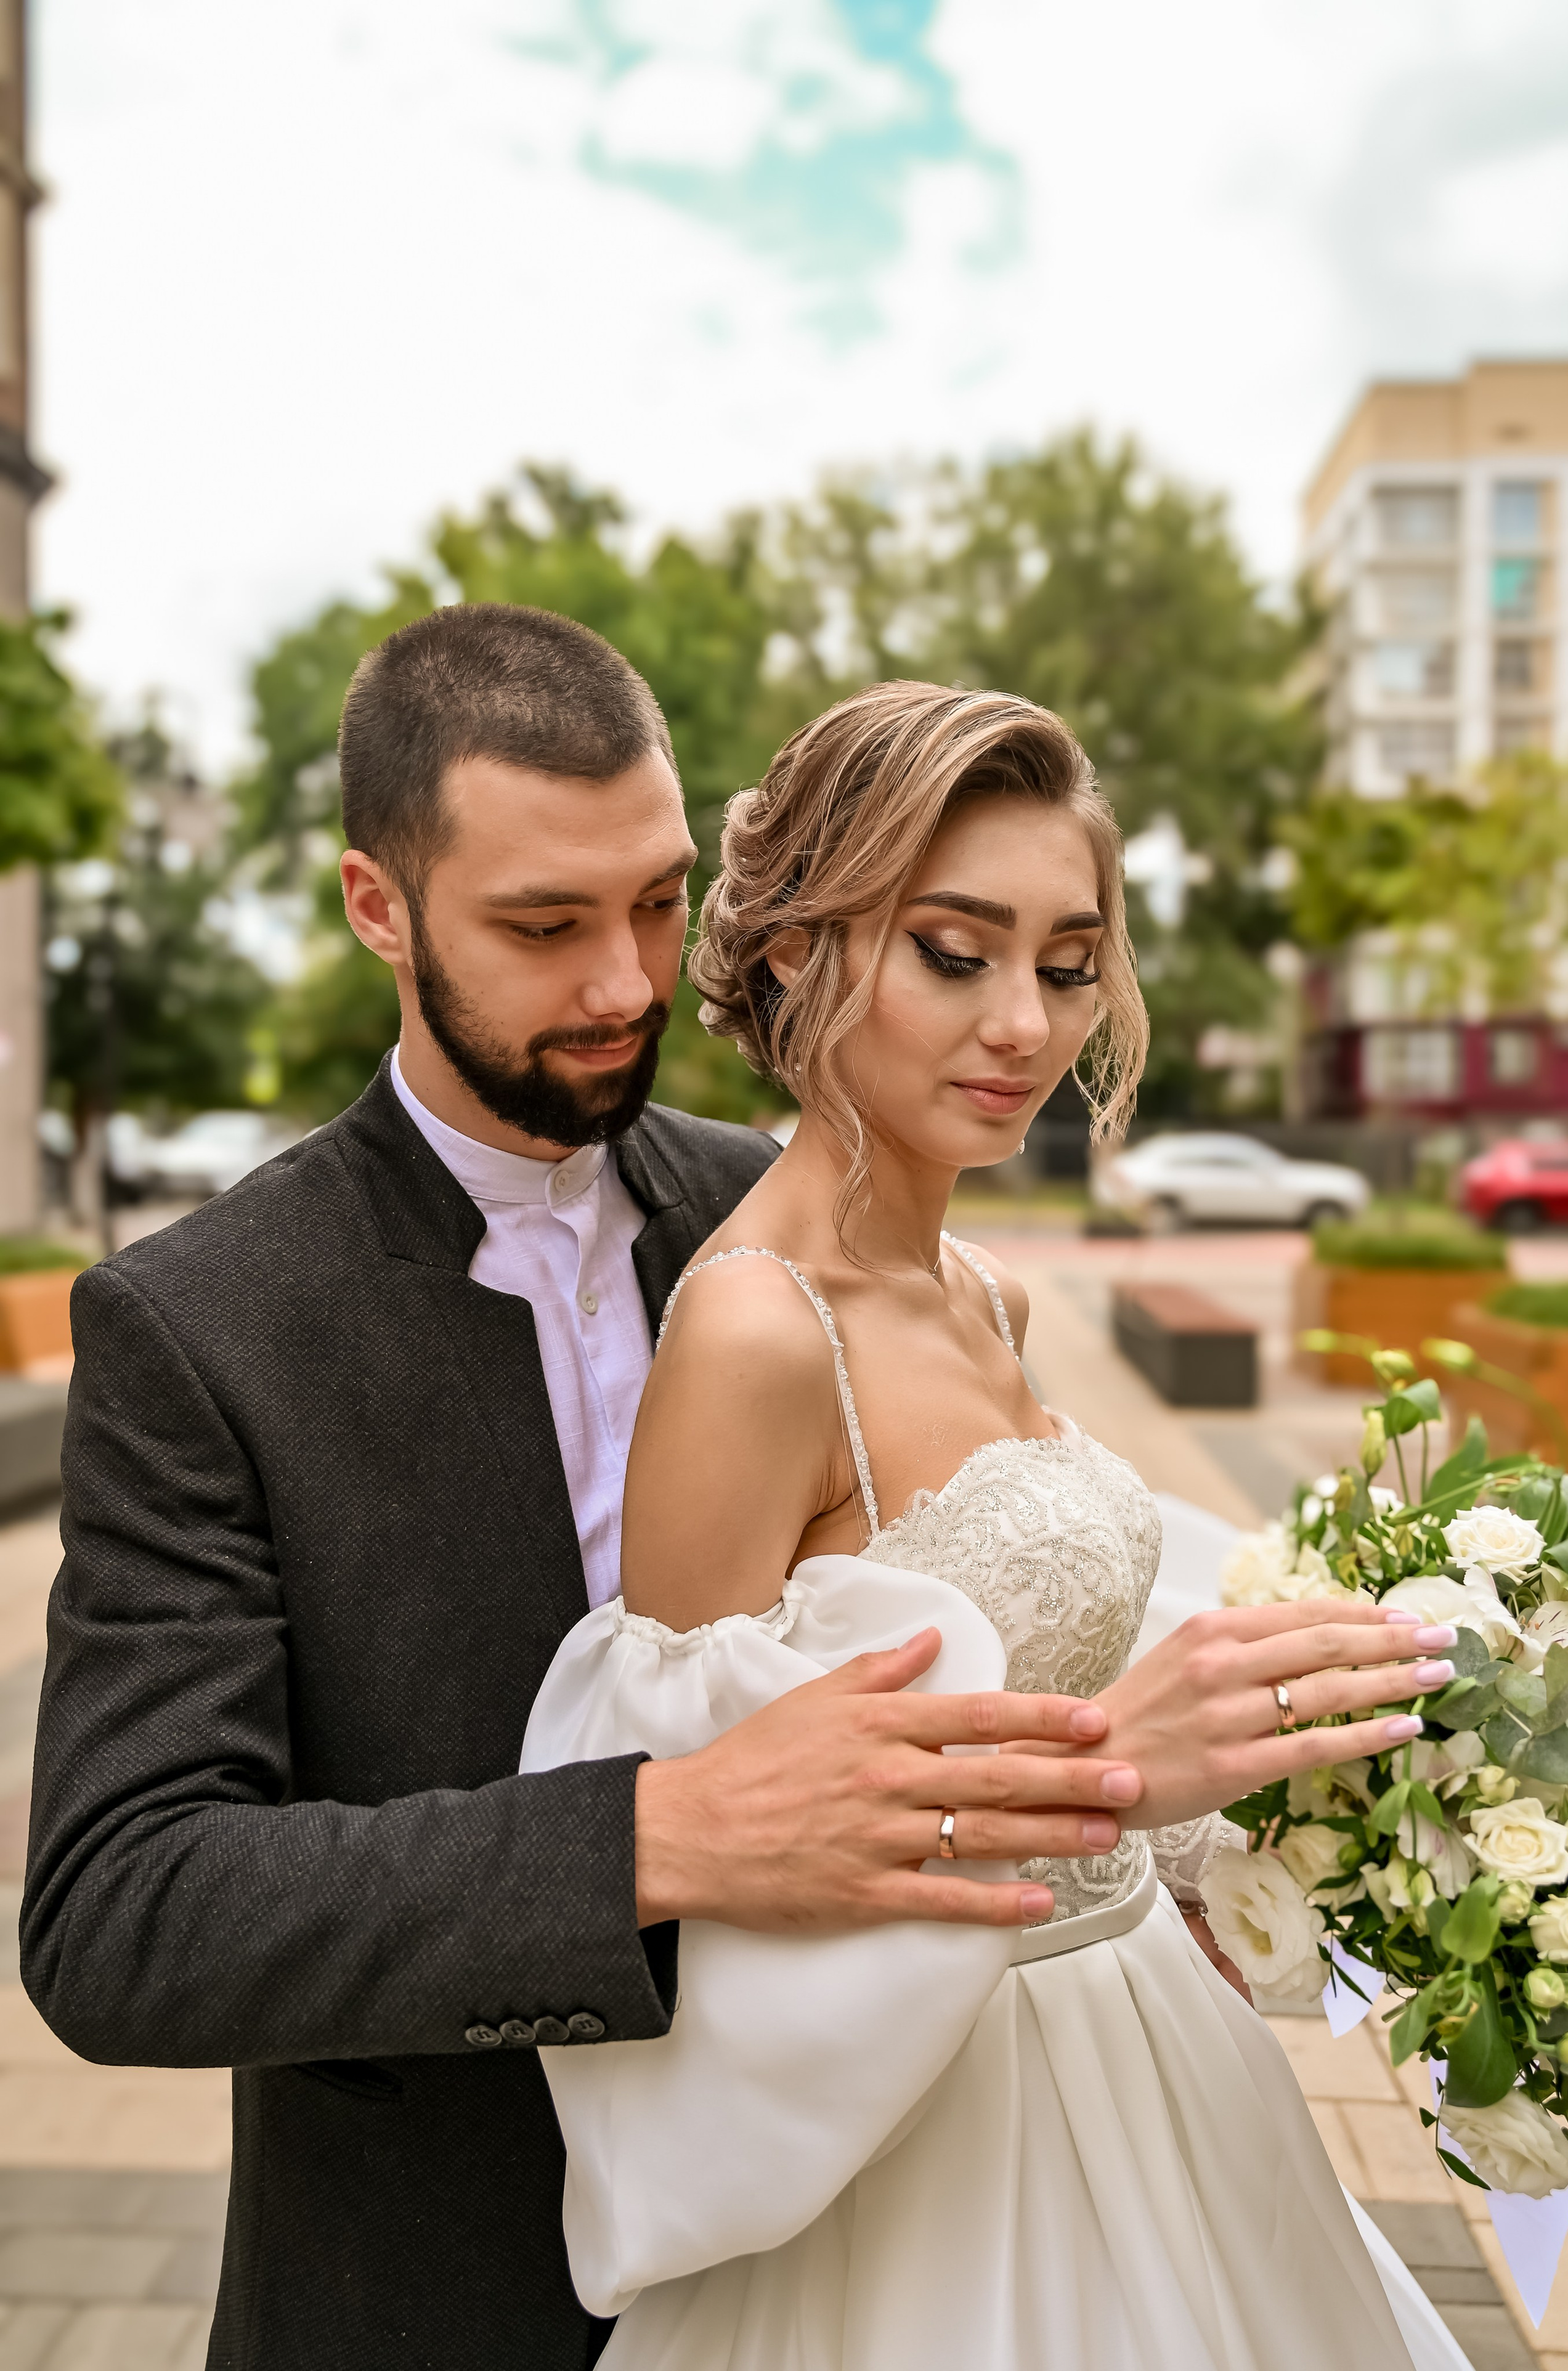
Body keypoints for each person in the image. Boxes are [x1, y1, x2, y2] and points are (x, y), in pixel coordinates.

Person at [23, 607, 1444, 2371]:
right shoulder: (201, 1327)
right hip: (434, 2279)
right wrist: (654, 1839)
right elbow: (122, 1911)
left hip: (905, 2212)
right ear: (377, 907)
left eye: (655, 899)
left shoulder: (817, 1213)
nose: (626, 982)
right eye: (544, 926)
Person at [521, 678, 1471, 2371]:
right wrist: (1114, 1765)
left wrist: (1283, 1789)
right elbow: (711, 1864)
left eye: (1068, 958)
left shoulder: (988, 1292)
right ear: (804, 953)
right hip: (925, 2163)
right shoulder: (755, 1334)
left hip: (1159, 2062)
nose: (1024, 1022)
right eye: (956, 952)